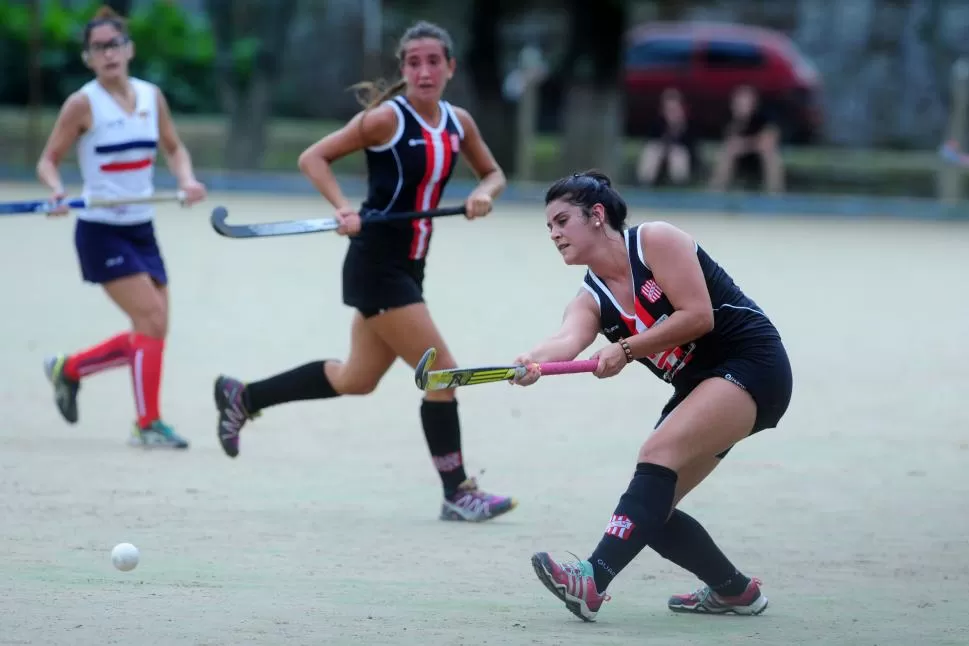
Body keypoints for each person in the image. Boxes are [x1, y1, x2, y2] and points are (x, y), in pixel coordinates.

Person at [213, 20, 517, 523]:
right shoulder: (386, 121)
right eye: (413, 62)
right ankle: (456, 491)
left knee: (355, 379)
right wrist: (341, 208)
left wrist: (484, 194)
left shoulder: (458, 123)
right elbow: (314, 158)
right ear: (402, 69)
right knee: (442, 371)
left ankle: (242, 396)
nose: (423, 71)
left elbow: (494, 171)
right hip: (376, 264)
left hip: (411, 267)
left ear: (450, 67)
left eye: (433, 62)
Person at [514, 170, 793, 621]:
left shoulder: (655, 241)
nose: (554, 234)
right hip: (701, 386)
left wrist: (626, 349)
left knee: (656, 454)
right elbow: (566, 340)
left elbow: (698, 316)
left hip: (752, 363)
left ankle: (592, 579)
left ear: (597, 215)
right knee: (651, 512)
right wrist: (532, 361)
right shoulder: (590, 298)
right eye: (549, 226)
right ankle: (734, 591)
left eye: (562, 221)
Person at [36, 5, 207, 449]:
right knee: (150, 318)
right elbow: (48, 161)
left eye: (115, 44)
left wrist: (186, 180)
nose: (108, 53)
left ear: (129, 49)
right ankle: (146, 424)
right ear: (88, 58)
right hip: (100, 230)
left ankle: (70, 369)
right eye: (98, 48)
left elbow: (174, 148)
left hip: (141, 227)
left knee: (155, 326)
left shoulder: (152, 97)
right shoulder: (82, 103)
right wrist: (56, 192)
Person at [709, 85, 785, 193]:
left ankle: (774, 194)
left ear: (754, 104)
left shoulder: (763, 118)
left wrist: (745, 145)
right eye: (739, 103)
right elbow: (731, 142)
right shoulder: (728, 120)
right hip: (738, 161)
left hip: (758, 160)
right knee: (727, 152)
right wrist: (739, 122)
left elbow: (769, 141)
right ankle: (715, 193)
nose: (742, 106)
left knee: (770, 153)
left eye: (746, 102)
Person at [636, 88, 699, 187]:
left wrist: (677, 129)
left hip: (682, 160)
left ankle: (679, 187)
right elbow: (650, 142)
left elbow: (693, 151)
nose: (671, 113)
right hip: (660, 155)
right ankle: (644, 185)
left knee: (678, 155)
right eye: (668, 110)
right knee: (652, 151)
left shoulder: (689, 126)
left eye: (674, 109)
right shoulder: (657, 124)